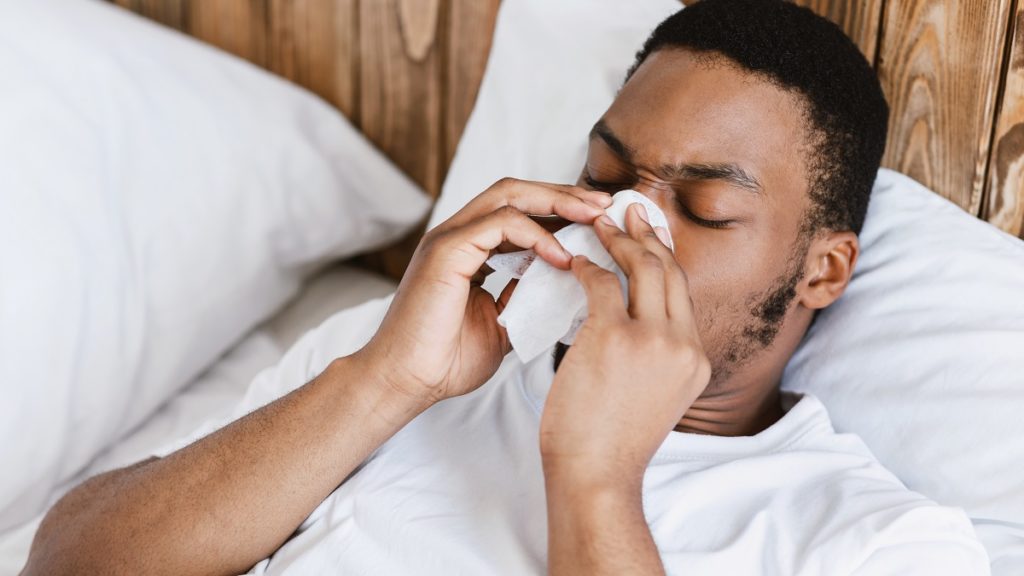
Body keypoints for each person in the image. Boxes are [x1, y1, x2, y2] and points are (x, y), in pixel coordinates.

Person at [23, 1, 989, 574]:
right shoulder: (403, 364)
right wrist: (385, 383)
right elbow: (68, 564)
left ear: (822, 269)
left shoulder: (882, 544)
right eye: (607, 178)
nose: (624, 226)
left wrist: (597, 481)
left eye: (700, 208)